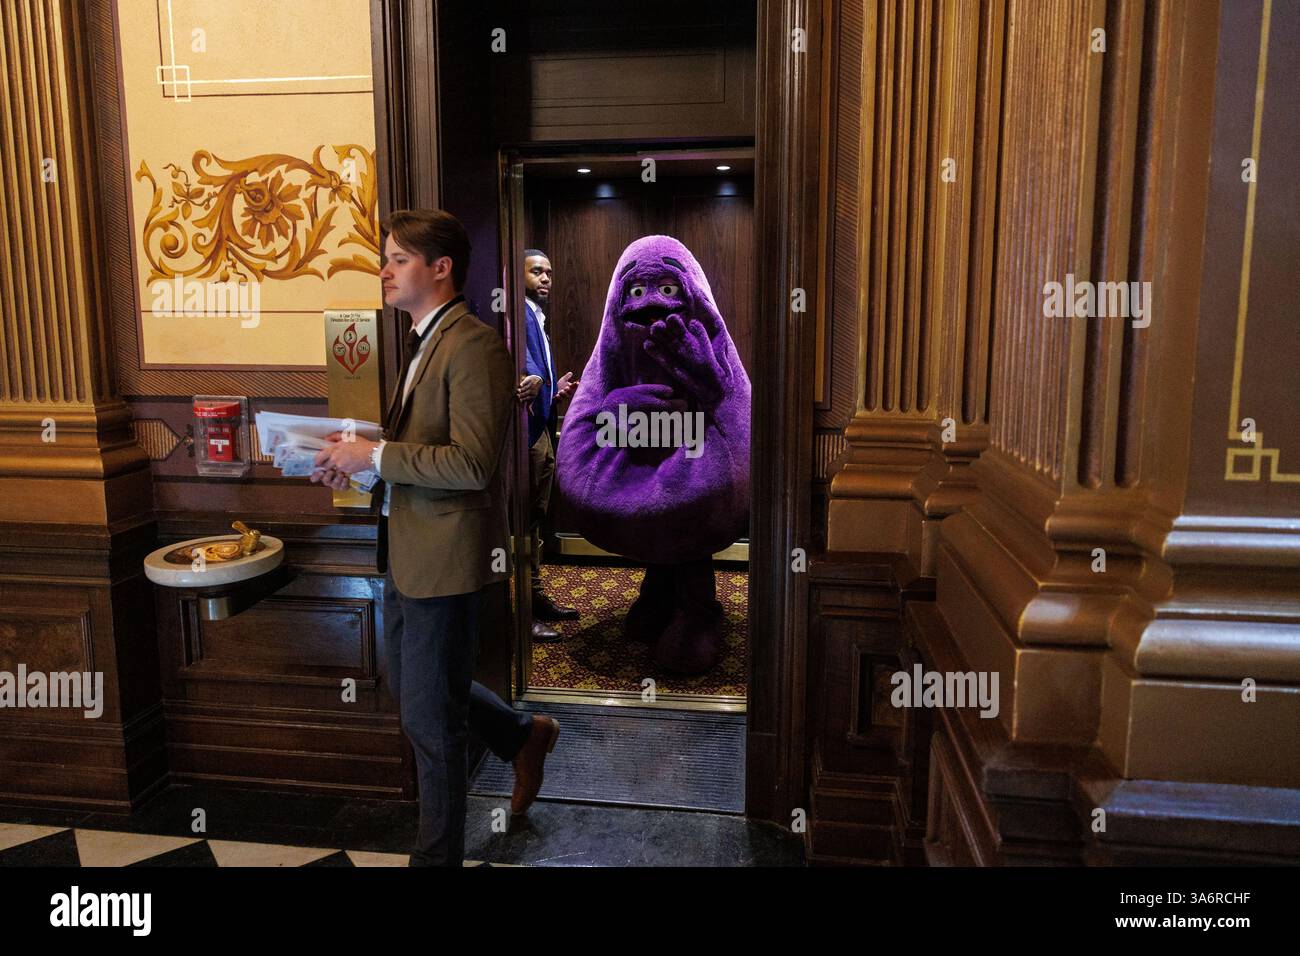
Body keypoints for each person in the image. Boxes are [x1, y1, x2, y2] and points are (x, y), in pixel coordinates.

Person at [312, 209, 559, 866]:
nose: (384, 270)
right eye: (386, 258)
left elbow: (472, 465)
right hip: (407, 554)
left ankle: (436, 859)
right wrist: (351, 462)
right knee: (420, 693)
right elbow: (410, 456)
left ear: (440, 267)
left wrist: (378, 456)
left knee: (429, 721)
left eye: (397, 259)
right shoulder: (426, 340)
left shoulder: (475, 346)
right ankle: (520, 734)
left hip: (444, 564)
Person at [515, 249, 579, 641]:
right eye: (536, 271)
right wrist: (537, 379)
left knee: (535, 520)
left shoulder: (536, 316)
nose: (545, 279)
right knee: (523, 522)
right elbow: (523, 366)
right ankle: (523, 611)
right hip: (525, 436)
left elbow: (538, 376)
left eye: (549, 272)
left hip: (540, 426)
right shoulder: (518, 313)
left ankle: (535, 598)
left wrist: (553, 391)